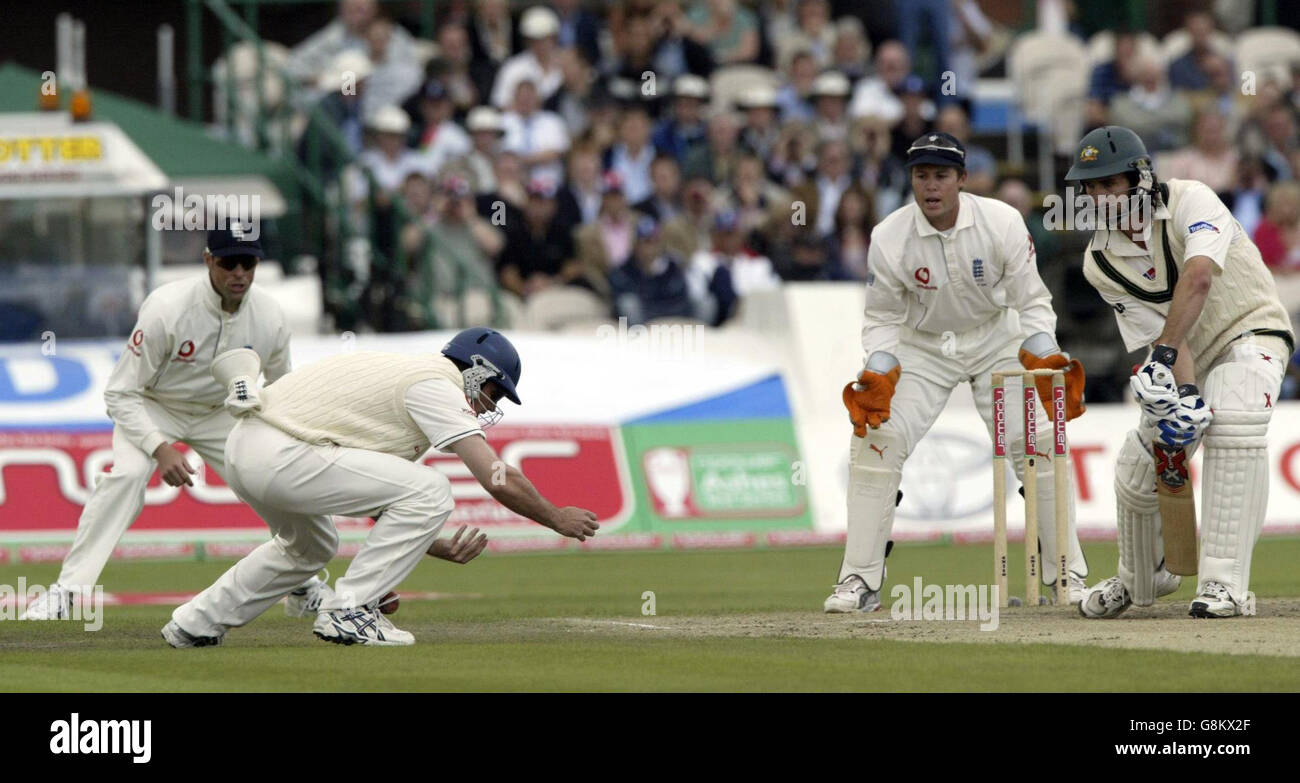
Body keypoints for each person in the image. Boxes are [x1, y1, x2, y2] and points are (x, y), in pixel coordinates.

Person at [163, 327, 597, 646]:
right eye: (493, 392)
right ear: (476, 370)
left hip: (244, 448)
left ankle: (195, 623)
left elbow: (376, 496)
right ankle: (348, 610)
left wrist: (434, 544)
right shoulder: (436, 385)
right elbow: (497, 477)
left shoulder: (409, 378)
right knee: (432, 489)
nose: (489, 405)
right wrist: (556, 518)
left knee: (310, 547)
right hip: (280, 453)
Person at [829, 132, 1089, 613]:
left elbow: (1031, 301)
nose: (931, 187)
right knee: (874, 441)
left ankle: (1065, 574)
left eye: (941, 176)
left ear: (962, 180)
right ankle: (859, 579)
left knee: (1038, 442)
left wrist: (1046, 359)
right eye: (921, 176)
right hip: (924, 345)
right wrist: (879, 371)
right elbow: (883, 318)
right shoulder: (889, 235)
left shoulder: (1001, 222)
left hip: (996, 336)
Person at [22, 228, 326, 620]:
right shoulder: (167, 308)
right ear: (207, 261)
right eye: (227, 262)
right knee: (128, 476)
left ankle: (303, 584)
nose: (239, 273)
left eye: (247, 263)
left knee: (276, 480)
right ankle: (66, 592)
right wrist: (158, 447)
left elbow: (283, 388)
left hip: (222, 411)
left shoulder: (269, 316)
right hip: (154, 404)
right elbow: (119, 393)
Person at [1064, 125, 1294, 619]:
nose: (1101, 197)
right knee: (1138, 460)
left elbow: (1199, 277)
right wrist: (1183, 394)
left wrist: (1164, 359)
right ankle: (1142, 576)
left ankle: (1224, 584)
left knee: (1233, 417)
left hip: (1250, 333)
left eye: (1110, 183)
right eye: (1092, 187)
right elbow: (1164, 336)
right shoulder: (1100, 261)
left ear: (1140, 178)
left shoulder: (1193, 199)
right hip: (1190, 355)